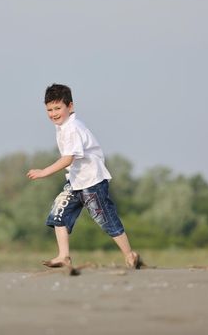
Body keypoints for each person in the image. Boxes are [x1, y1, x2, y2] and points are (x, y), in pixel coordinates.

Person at [27, 83, 143, 269]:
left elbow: (68, 159)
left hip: (92, 181)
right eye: (49, 109)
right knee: (59, 213)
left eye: (58, 108)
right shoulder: (62, 127)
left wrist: (44, 172)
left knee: (105, 219)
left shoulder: (73, 128)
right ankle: (64, 256)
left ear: (70, 106)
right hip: (75, 181)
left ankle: (130, 255)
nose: (54, 113)